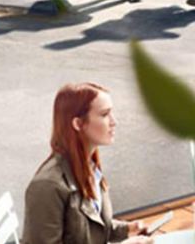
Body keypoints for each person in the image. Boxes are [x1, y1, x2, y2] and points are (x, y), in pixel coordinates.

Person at [21, 83, 154, 244]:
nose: (114, 122)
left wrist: (126, 230)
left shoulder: (90, 167)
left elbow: (92, 228)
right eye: (105, 114)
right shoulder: (47, 186)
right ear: (78, 124)